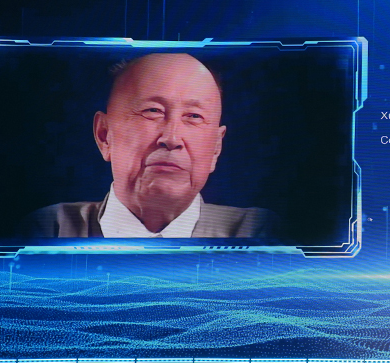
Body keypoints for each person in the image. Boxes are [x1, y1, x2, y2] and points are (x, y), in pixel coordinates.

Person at [21, 53, 276, 238]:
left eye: (193, 116)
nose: (172, 139)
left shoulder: (259, 232)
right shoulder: (49, 230)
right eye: (152, 111)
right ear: (104, 135)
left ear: (216, 148)